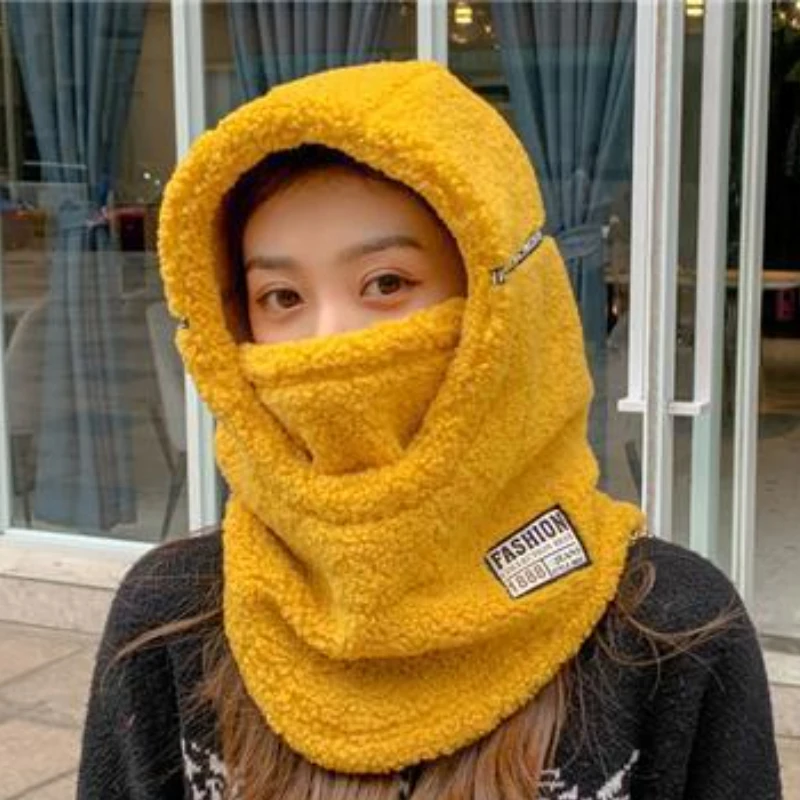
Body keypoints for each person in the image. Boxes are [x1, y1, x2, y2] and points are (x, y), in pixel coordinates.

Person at [78, 61, 782, 800]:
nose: (330, 341)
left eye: (387, 283)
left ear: (503, 307)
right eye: (281, 297)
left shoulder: (672, 636)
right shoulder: (168, 624)